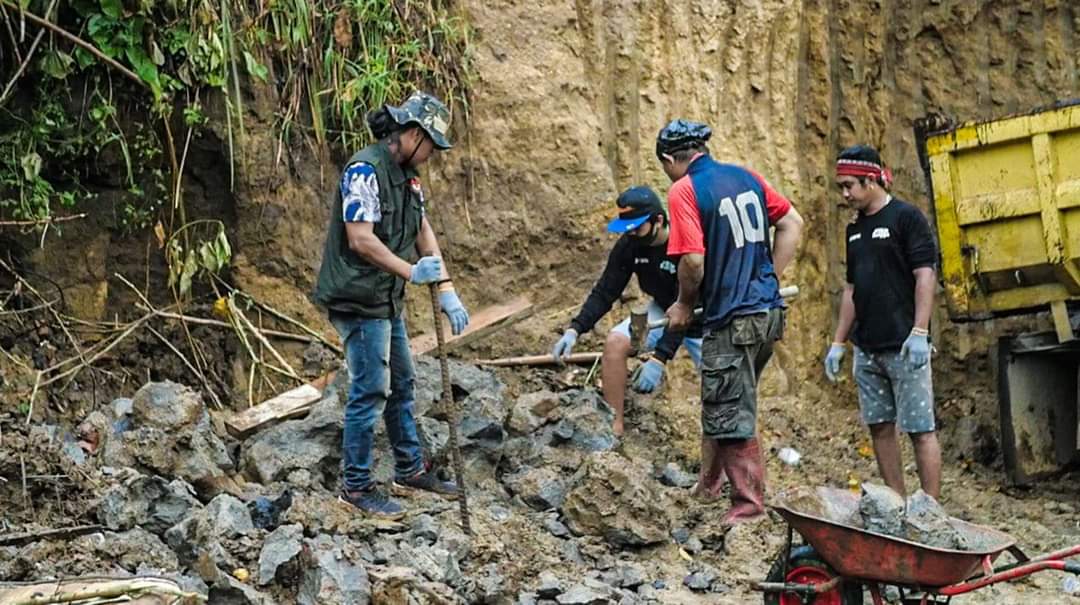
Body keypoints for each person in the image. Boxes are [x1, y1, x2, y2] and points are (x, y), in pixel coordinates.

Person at [313, 91, 468, 518]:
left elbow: (422, 228)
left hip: (384, 297)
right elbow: (360, 238)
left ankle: (410, 469)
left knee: (402, 381)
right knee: (371, 390)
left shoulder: (407, 177)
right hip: (357, 297)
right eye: (431, 145)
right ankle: (356, 488)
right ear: (414, 134)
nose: (433, 154)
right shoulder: (364, 170)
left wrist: (445, 286)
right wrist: (408, 271)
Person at [660, 119, 804, 525]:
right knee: (723, 401)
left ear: (671, 159)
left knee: (729, 409)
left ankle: (747, 505)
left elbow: (692, 260)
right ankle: (709, 484)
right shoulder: (746, 176)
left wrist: (684, 304)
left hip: (732, 319)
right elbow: (793, 223)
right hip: (767, 314)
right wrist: (768, 277)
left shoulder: (684, 189)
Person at [824, 144, 942, 498]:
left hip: (905, 345)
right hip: (868, 348)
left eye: (849, 186)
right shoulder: (855, 231)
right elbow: (852, 289)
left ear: (872, 180)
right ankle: (896, 502)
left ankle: (930, 509)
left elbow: (925, 275)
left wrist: (919, 332)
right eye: (841, 187)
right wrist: (838, 342)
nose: (845, 194)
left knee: (920, 429)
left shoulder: (906, 218)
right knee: (879, 427)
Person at [551, 186, 704, 437]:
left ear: (658, 220)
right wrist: (574, 328)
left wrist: (659, 358)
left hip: (701, 316)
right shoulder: (630, 245)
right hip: (664, 309)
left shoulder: (684, 245)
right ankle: (614, 430)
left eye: (637, 226)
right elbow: (605, 291)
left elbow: (687, 310)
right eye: (628, 228)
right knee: (615, 342)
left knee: (721, 387)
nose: (631, 233)